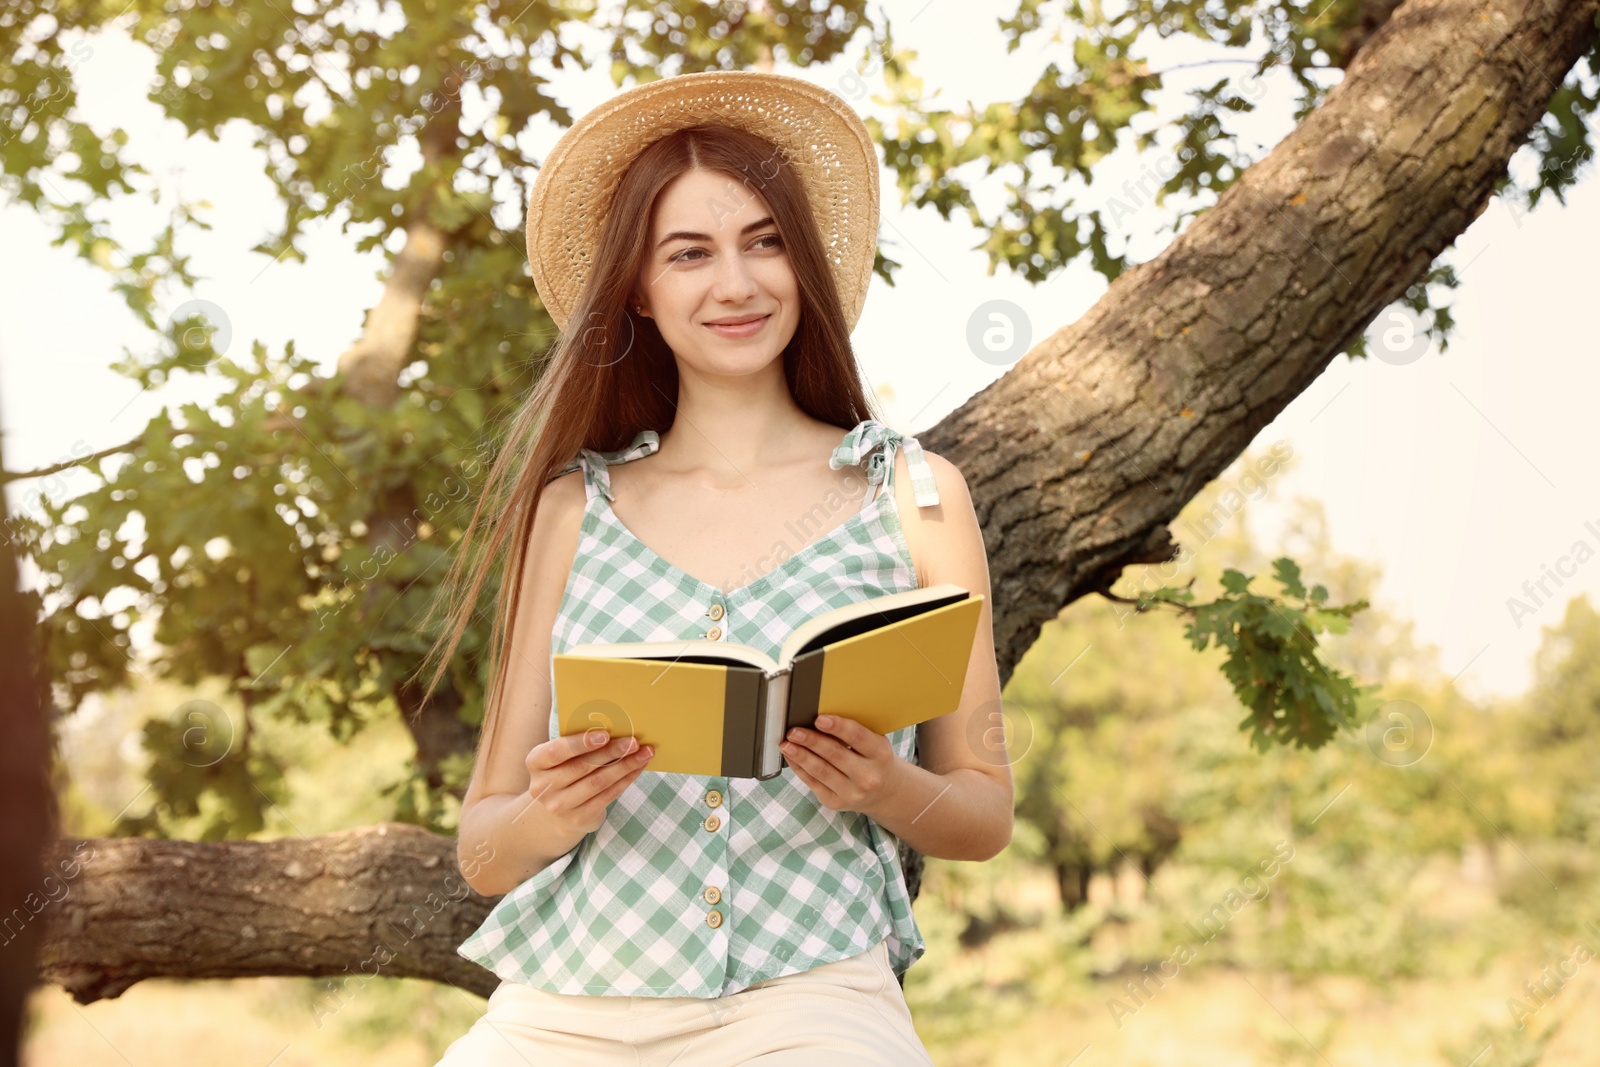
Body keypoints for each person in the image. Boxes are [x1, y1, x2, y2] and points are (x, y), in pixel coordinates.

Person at [417, 68, 1011, 1066]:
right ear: (640, 291)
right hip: (568, 1001)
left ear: (803, 265)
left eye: (764, 242)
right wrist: (552, 810)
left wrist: (883, 787)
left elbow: (983, 809)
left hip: (812, 998)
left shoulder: (915, 493)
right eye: (688, 253)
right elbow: (482, 848)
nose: (734, 284)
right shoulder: (571, 509)